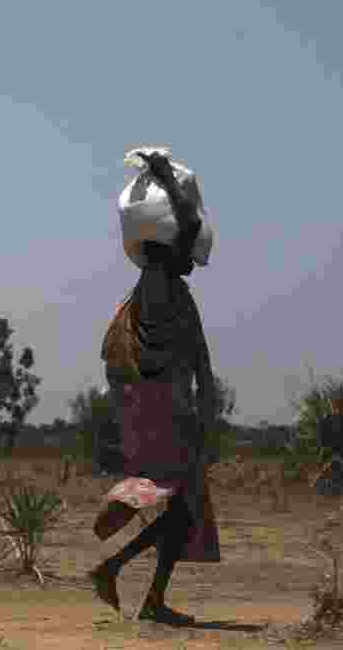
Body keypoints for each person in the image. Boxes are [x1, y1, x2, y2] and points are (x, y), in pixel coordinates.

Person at [89, 151, 221, 624]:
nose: (193, 257)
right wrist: (165, 177)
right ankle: (117, 570)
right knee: (182, 505)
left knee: (185, 509)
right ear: (171, 247)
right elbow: (201, 366)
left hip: (144, 412)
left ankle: (143, 592)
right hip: (169, 415)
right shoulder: (166, 286)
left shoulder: (141, 291)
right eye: (186, 248)